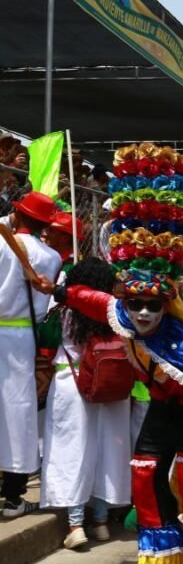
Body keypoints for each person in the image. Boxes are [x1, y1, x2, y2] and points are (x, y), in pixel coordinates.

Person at [44, 143, 183, 564]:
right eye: (135, 304)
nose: (143, 313)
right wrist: (57, 290)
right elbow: (92, 300)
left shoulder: (177, 339)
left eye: (152, 305)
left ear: (166, 305)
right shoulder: (122, 315)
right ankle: (162, 557)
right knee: (145, 478)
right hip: (160, 414)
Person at [39, 257, 131, 549]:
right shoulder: (116, 312)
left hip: (72, 383)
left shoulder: (65, 311)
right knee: (107, 451)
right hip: (112, 385)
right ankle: (101, 522)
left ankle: (76, 525)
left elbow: (46, 341)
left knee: (71, 451)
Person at [0, 191, 62, 518]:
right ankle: (13, 496)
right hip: (21, 334)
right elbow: (43, 308)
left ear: (18, 214)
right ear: (45, 225)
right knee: (17, 411)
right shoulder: (51, 257)